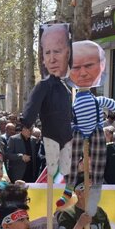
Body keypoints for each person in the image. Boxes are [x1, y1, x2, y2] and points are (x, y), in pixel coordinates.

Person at [57, 40, 115, 208]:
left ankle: (97, 188)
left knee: (100, 159)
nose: (83, 74)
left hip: (96, 131)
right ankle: (68, 189)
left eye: (88, 66)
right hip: (78, 131)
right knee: (71, 159)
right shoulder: (72, 103)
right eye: (76, 68)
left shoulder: (98, 99)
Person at [21, 23, 73, 198]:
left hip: (68, 139)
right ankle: (46, 200)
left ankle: (62, 198)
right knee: (52, 173)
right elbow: (31, 107)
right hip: (51, 139)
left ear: (68, 53)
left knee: (66, 173)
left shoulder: (66, 87)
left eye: (57, 51)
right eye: (47, 53)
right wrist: (25, 125)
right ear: (42, 58)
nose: (52, 59)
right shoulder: (43, 85)